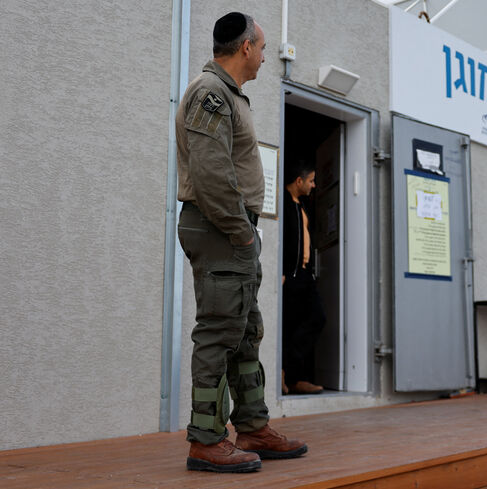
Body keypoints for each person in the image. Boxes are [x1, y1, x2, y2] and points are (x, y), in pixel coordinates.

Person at [176, 12, 307, 473]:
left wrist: (246, 232)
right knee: (218, 333)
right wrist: (241, 233)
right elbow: (212, 178)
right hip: (220, 229)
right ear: (246, 47)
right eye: (265, 47)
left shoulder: (231, 96)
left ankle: (252, 426)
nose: (267, 56)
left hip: (231, 230)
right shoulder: (210, 95)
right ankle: (205, 441)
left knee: (245, 332)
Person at [281, 160, 327, 395]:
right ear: (299, 181)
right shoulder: (284, 205)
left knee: (316, 318)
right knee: (288, 326)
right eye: (311, 180)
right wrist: (282, 271)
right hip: (290, 276)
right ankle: (287, 375)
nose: (314, 185)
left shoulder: (302, 206)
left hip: (305, 275)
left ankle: (293, 374)